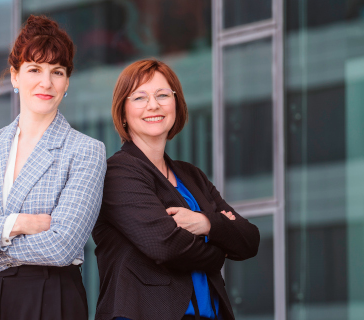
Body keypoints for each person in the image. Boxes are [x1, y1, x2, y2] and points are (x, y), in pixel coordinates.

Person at [0, 15, 106, 320]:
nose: (46, 82)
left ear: (67, 83)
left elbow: (62, 246)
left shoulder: (86, 151)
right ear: (15, 76)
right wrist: (16, 224)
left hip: (49, 296)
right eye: (35, 69)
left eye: (57, 72)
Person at [93, 59, 261, 320]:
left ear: (176, 103)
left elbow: (249, 239)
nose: (153, 105)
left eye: (162, 95)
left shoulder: (192, 175)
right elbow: (164, 245)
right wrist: (219, 251)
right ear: (123, 112)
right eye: (139, 97)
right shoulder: (118, 173)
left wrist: (206, 223)